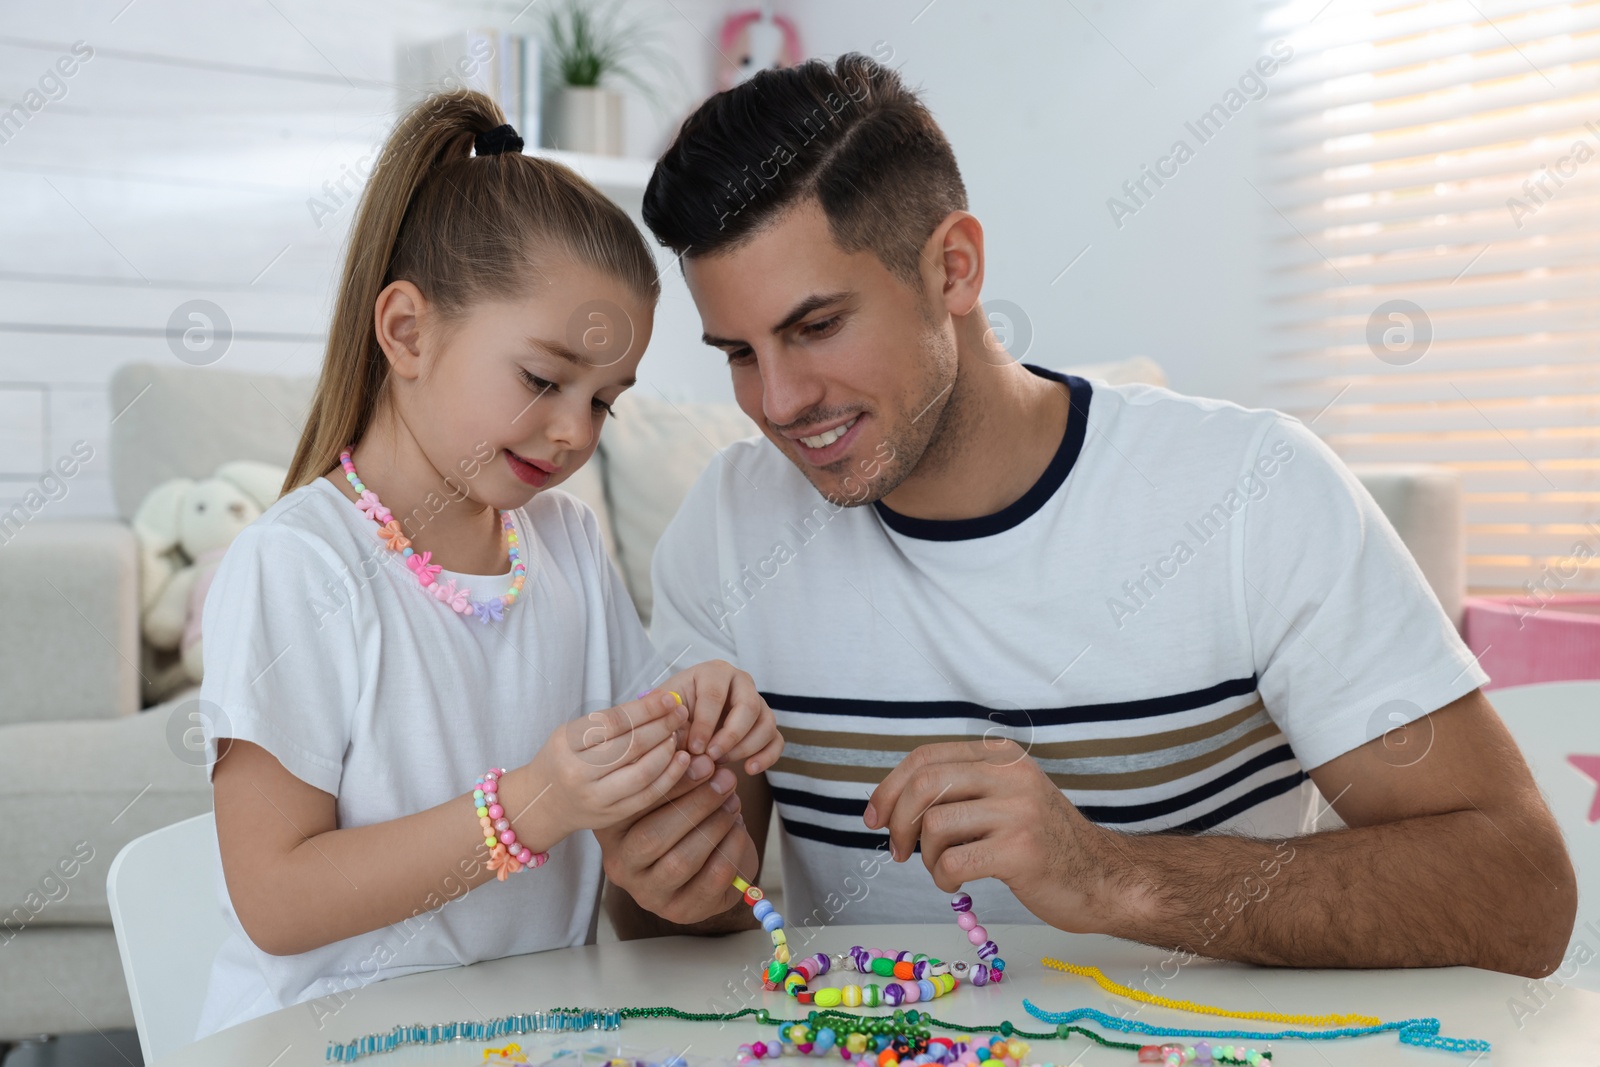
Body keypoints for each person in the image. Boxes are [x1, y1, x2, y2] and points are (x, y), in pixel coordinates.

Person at [595, 53, 1577, 979]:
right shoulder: (729, 525)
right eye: (737, 352)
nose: (777, 400)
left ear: (954, 268)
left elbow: (1521, 893)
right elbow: (686, 920)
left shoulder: (1254, 491)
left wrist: (1109, 874)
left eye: (816, 327)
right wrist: (667, 877)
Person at [193, 90, 781, 1036]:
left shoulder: (568, 546)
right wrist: (533, 805)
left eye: (604, 402)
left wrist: (697, 725)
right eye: (543, 380)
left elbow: (641, 789)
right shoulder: (298, 565)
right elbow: (275, 895)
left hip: (533, 1035)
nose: (571, 431)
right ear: (407, 332)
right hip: (328, 1040)